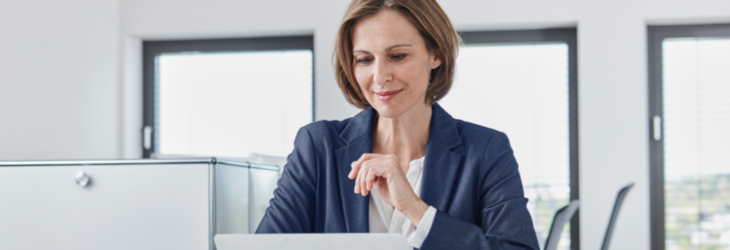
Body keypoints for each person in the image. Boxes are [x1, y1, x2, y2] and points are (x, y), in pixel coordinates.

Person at [256, 0, 540, 249]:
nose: (380, 76)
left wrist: (416, 210)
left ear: (436, 53)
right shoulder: (318, 146)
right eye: (365, 59)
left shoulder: (486, 150)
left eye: (398, 56)